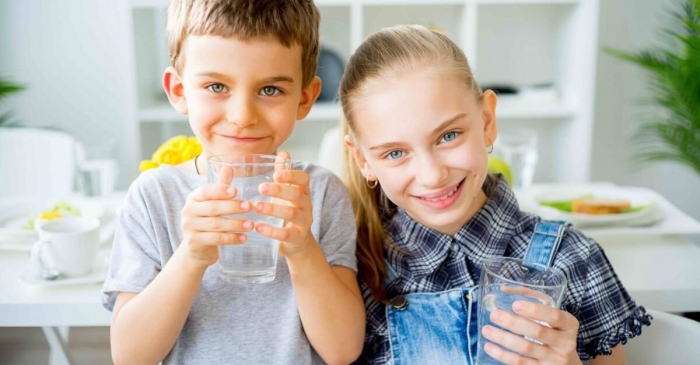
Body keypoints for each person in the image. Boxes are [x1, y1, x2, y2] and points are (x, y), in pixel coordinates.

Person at [339, 25, 650, 365]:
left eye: (448, 136)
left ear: (487, 121)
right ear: (363, 161)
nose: (432, 176)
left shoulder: (573, 259)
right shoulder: (351, 275)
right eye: (395, 153)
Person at [102, 1, 365, 364]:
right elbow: (130, 356)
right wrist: (191, 256)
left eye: (270, 90)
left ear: (304, 98)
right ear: (178, 91)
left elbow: (342, 351)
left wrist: (303, 250)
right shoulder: (153, 197)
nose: (242, 116)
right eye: (216, 86)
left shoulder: (320, 194)